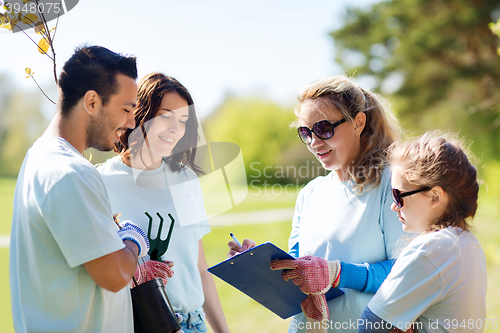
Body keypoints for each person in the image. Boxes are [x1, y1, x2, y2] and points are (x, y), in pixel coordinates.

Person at [228, 76, 408, 333]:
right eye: (305, 132)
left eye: (324, 128)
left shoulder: (391, 184)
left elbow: (407, 271)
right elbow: (299, 270)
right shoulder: (310, 193)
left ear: (358, 122)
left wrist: (336, 273)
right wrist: (261, 264)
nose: (314, 141)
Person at [9, 45, 151, 332]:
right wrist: (134, 237)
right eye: (126, 109)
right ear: (92, 102)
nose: (132, 122)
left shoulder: (39, 157)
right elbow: (114, 275)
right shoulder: (71, 173)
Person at [97, 72, 230, 333]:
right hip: (143, 325)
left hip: (195, 324)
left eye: (182, 121)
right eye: (166, 116)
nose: (175, 129)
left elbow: (200, 269)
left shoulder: (185, 178)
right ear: (140, 114)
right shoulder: (102, 182)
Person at [358, 132, 487, 333]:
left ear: (435, 196)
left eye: (398, 195)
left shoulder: (430, 248)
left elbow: (370, 327)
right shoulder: (468, 243)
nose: (394, 206)